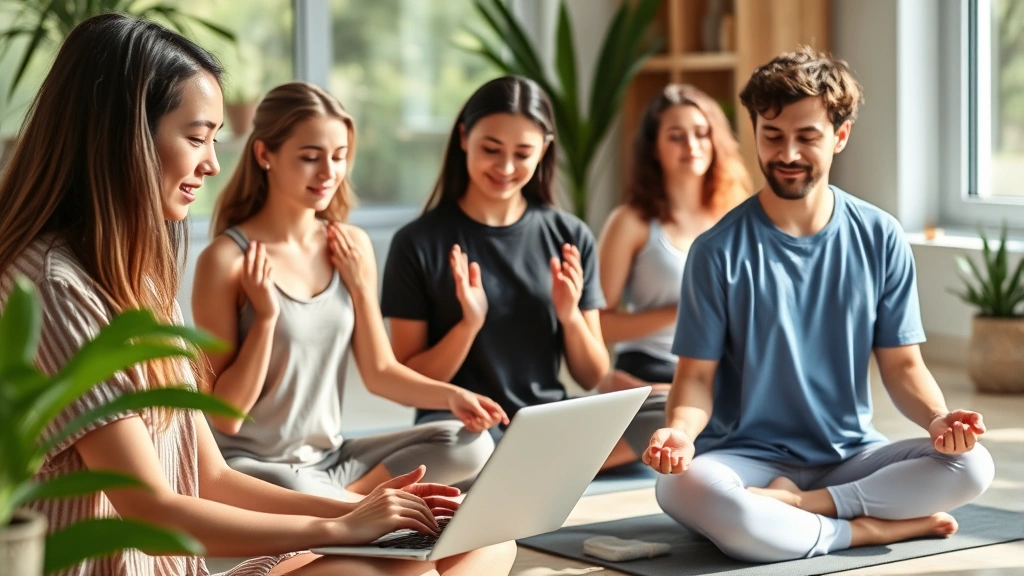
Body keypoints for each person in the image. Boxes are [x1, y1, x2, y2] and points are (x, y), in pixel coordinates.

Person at [0, 14, 514, 576]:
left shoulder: (138, 278)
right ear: (122, 136)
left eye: (214, 140)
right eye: (196, 138)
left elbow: (212, 477)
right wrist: (342, 527)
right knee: (393, 570)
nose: (213, 163)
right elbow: (150, 512)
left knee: (486, 538)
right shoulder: (54, 285)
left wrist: (367, 512)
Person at [643, 47, 994, 563]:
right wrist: (678, 433)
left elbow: (902, 366)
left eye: (807, 137)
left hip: (849, 454)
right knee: (676, 489)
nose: (788, 154)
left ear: (840, 136)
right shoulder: (716, 250)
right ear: (755, 134)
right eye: (773, 136)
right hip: (747, 457)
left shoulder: (880, 235)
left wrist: (940, 421)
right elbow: (695, 378)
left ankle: (804, 508)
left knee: (973, 466)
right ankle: (863, 531)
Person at [192, 82, 506, 501]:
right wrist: (266, 318)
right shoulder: (226, 260)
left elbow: (380, 372)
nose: (328, 174)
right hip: (257, 469)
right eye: (310, 158)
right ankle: (358, 511)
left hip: (333, 459)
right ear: (265, 154)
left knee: (471, 444)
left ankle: (354, 503)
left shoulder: (351, 246)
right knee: (293, 485)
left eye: (339, 157)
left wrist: (455, 396)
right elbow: (225, 418)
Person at [381, 75, 659, 470]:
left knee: (661, 412)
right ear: (463, 138)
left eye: (523, 153)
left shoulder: (569, 235)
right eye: (491, 149)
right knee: (460, 449)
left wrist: (569, 316)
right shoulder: (417, 242)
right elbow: (408, 382)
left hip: (546, 422)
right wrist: (468, 326)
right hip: (464, 425)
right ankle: (544, 469)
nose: (506, 167)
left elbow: (592, 374)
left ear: (544, 150)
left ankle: (525, 468)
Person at [596, 84, 750, 397]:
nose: (691, 145)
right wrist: (684, 309)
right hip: (650, 366)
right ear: (654, 148)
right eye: (676, 136)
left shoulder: (737, 216)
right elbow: (597, 325)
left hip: (720, 369)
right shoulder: (630, 222)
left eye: (701, 133)